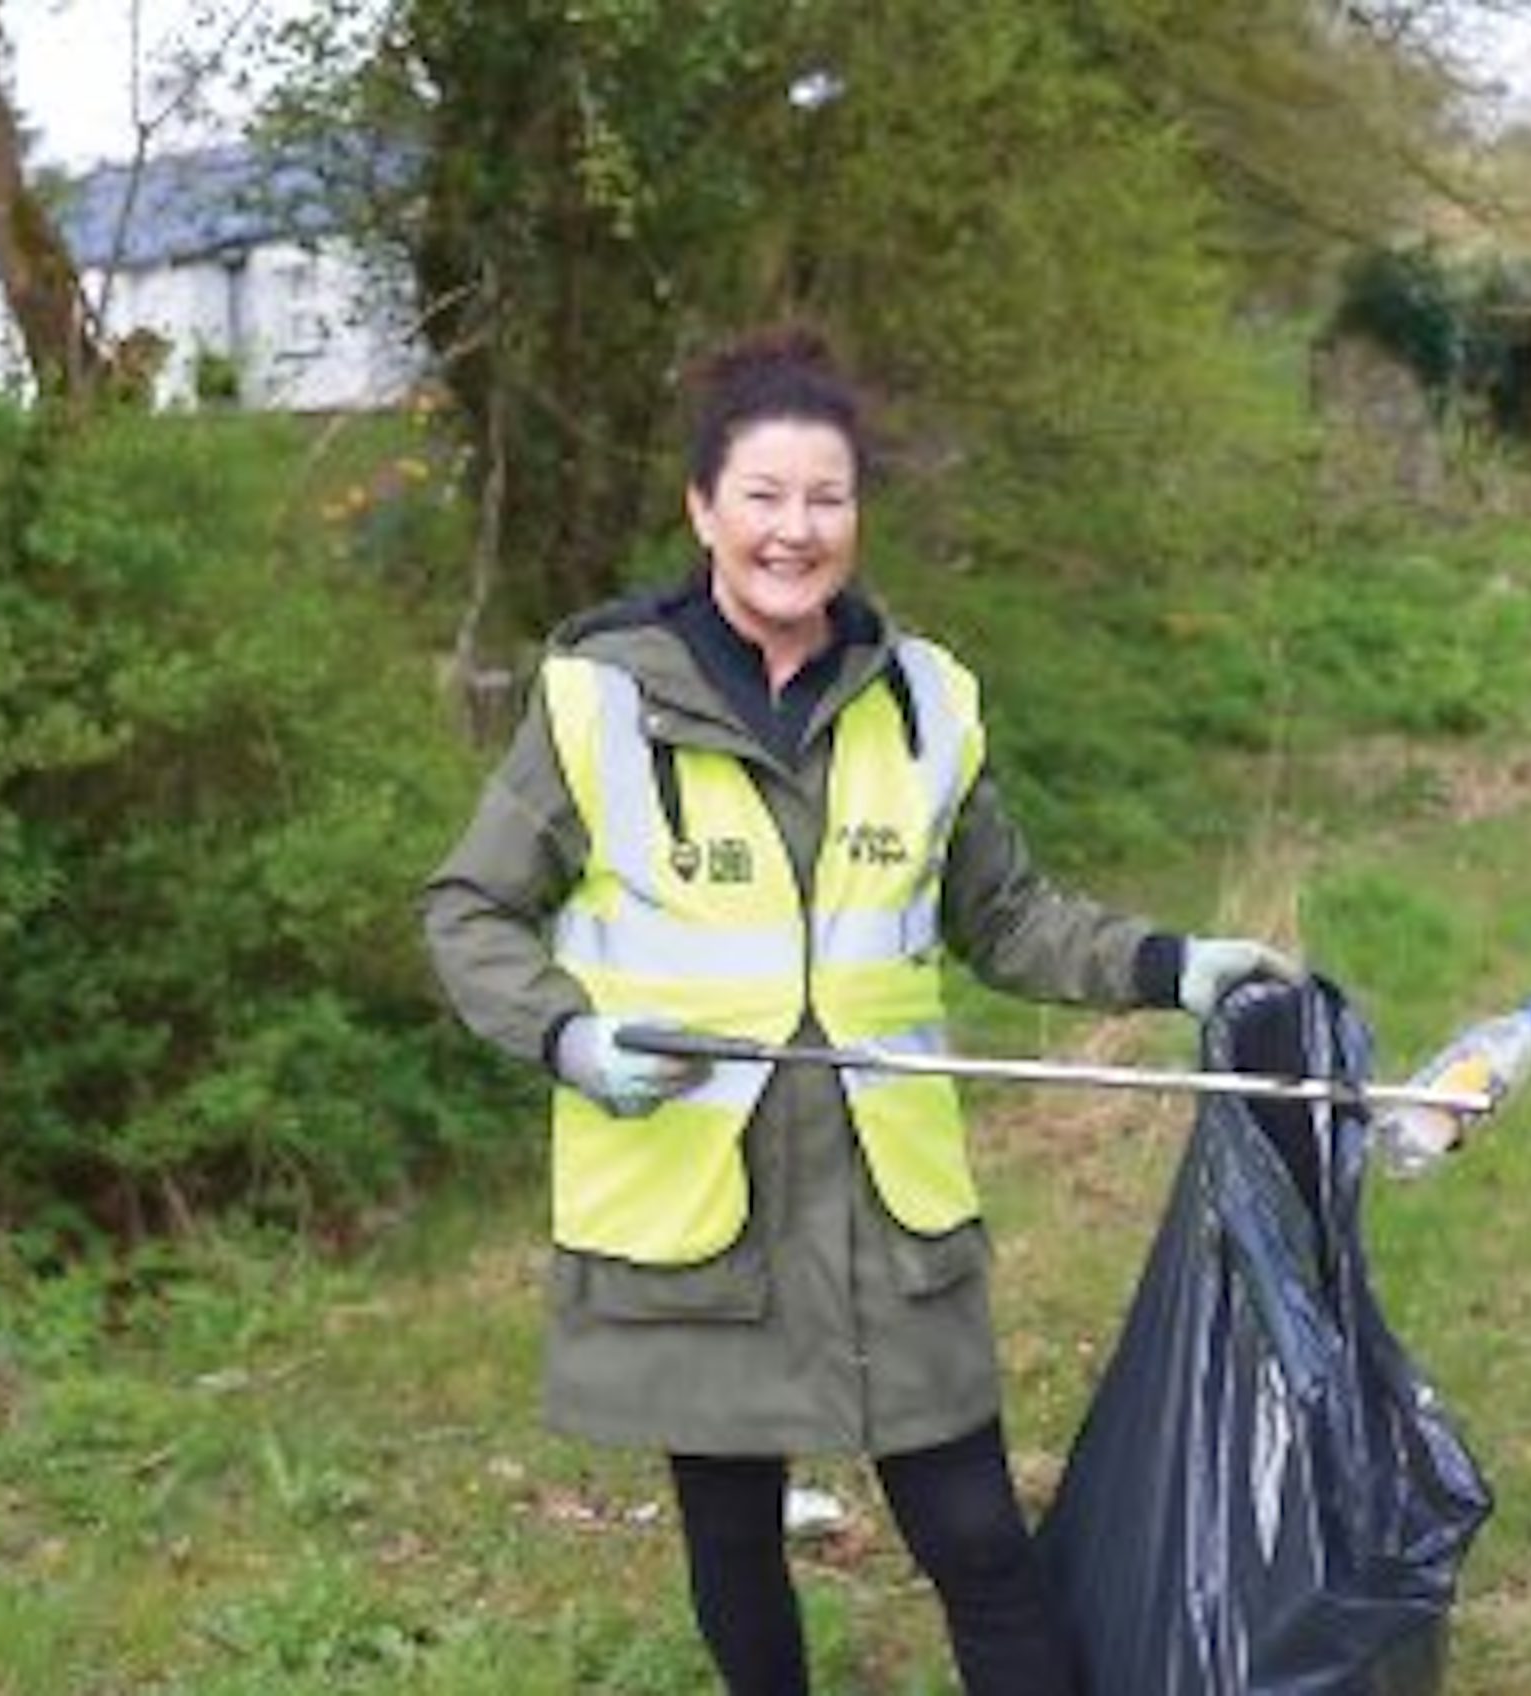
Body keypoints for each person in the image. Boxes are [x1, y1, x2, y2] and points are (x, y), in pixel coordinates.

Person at [419, 325, 1297, 1695]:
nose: (795, 529)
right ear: (705, 509)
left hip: (888, 1205)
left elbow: (1007, 915)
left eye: (825, 498)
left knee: (975, 1535)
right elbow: (467, 912)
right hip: (695, 1201)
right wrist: (567, 1035)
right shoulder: (598, 701)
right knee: (733, 1535)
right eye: (763, 496)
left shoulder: (928, 703)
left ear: (856, 517)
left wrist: (1171, 963)